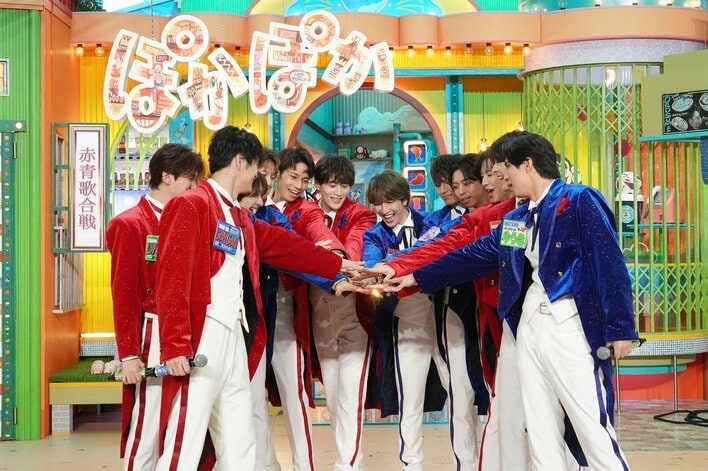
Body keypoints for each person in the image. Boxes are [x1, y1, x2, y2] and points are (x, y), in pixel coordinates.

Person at [387, 132, 638, 470]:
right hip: (527, 324)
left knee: (591, 424)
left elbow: (609, 263)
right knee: (540, 427)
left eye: (506, 168)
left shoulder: (578, 199)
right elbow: (475, 255)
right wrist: (416, 277)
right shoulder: (517, 219)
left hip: (569, 323)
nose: (502, 178)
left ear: (528, 164)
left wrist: (620, 327)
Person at [154, 126, 359, 470]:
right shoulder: (192, 204)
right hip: (202, 335)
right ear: (239, 162)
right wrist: (175, 345)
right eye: (256, 168)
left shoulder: (237, 214)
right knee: (185, 438)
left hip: (237, 333)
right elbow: (171, 278)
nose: (259, 176)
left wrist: (338, 265)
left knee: (239, 435)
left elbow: (284, 246)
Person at [106, 143, 204, 471]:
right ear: (167, 177)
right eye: (190, 180)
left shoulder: (191, 220)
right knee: (147, 421)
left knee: (182, 423)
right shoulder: (129, 223)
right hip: (153, 329)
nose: (194, 188)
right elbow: (123, 293)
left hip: (189, 328)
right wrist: (129, 354)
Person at [267, 146, 349, 471]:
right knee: (247, 397)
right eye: (293, 176)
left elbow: (319, 232)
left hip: (286, 310)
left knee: (295, 393)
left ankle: (305, 466)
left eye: (305, 179)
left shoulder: (305, 210)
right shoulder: (252, 204)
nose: (299, 185)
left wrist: (337, 259)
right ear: (276, 174)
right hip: (250, 312)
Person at [361, 170, 447, 471]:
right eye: (377, 204)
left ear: (405, 199)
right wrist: (375, 269)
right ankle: (412, 462)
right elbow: (373, 263)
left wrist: (396, 262)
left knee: (461, 392)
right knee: (410, 395)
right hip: (407, 318)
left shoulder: (432, 223)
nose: (383, 210)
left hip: (446, 314)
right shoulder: (374, 234)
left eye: (389, 202)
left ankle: (471, 459)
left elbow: (437, 251)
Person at [309, 154, 377, 470]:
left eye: (345, 186)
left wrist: (337, 261)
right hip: (318, 315)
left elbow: (354, 244)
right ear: (318, 184)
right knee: (335, 397)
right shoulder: (305, 212)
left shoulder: (361, 213)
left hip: (353, 313)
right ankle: (349, 461)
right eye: (332, 185)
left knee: (351, 396)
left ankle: (347, 465)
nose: (338, 192)